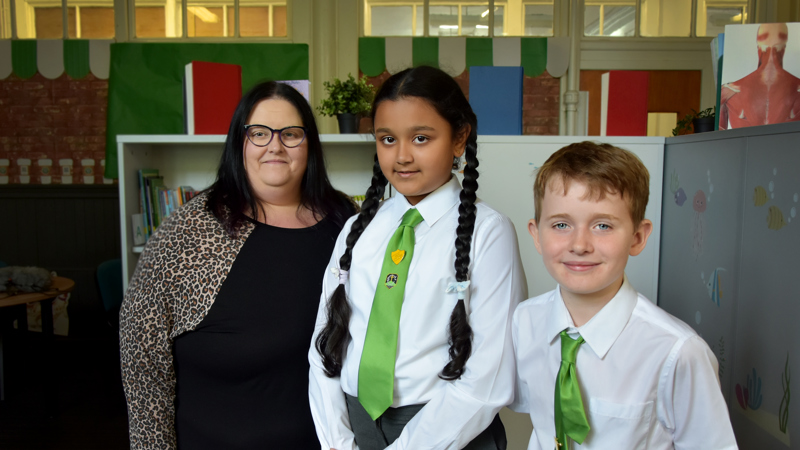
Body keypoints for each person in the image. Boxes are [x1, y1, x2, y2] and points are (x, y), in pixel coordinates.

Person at [119, 81, 356, 449]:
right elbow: (141, 352)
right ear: (238, 143)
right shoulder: (191, 228)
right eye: (259, 133)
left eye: (290, 134)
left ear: (309, 144)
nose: (274, 146)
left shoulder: (347, 222)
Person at [308, 65, 527, 450]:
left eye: (421, 138)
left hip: (446, 432)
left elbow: (489, 377)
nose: (403, 155)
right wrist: (338, 443)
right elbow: (324, 347)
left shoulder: (489, 233)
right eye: (387, 139)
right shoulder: (358, 229)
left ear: (460, 138)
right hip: (355, 428)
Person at [511, 142, 738, 449]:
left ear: (637, 237)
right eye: (561, 224)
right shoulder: (524, 322)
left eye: (603, 225)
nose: (580, 244)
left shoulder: (677, 353)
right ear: (537, 234)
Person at [720, 22, 800, 129]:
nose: (772, 44)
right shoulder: (728, 92)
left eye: (780, 37)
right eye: (765, 37)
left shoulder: (728, 91)